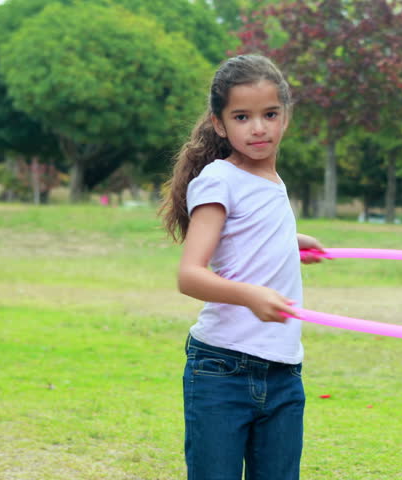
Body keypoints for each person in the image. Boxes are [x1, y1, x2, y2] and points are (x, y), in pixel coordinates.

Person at [159, 54, 324, 480]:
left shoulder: (272, 180)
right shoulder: (219, 179)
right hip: (222, 370)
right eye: (242, 116)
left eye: (270, 114)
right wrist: (250, 296)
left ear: (285, 117)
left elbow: (247, 237)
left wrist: (291, 243)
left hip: (284, 370)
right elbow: (190, 274)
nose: (258, 127)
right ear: (220, 123)